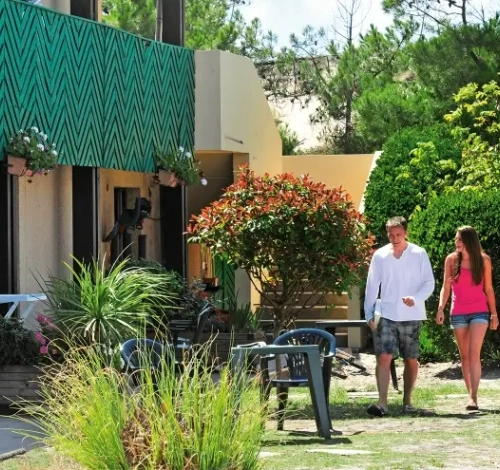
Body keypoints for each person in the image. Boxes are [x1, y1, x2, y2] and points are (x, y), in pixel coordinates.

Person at [364, 216, 435, 416]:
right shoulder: (380, 255)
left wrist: (416, 298)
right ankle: (382, 404)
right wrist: (369, 313)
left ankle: (408, 402)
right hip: (387, 313)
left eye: (398, 234)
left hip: (412, 314)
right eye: (391, 235)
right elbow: (371, 286)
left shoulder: (419, 253)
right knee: (384, 356)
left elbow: (429, 282)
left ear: (405, 233)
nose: (394, 238)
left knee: (410, 358)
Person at [435, 226, 498, 410]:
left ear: (470, 241)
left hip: (479, 311)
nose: (457, 242)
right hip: (458, 312)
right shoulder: (451, 260)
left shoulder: (484, 260)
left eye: (460, 239)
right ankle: (469, 393)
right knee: (464, 355)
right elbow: (446, 287)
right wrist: (440, 308)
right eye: (456, 239)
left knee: (473, 353)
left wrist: (494, 314)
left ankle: (473, 397)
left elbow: (488, 289)